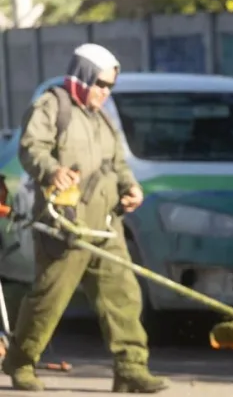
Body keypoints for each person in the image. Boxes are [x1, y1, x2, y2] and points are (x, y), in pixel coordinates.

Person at [1, 43, 169, 393]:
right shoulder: (52, 106)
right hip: (64, 225)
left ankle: (131, 368)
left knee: (123, 297)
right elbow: (32, 147)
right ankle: (21, 362)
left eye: (110, 87)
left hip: (106, 226)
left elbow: (117, 163)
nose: (106, 92)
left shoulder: (102, 119)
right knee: (48, 299)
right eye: (101, 84)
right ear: (83, 77)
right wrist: (52, 171)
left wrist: (130, 188)